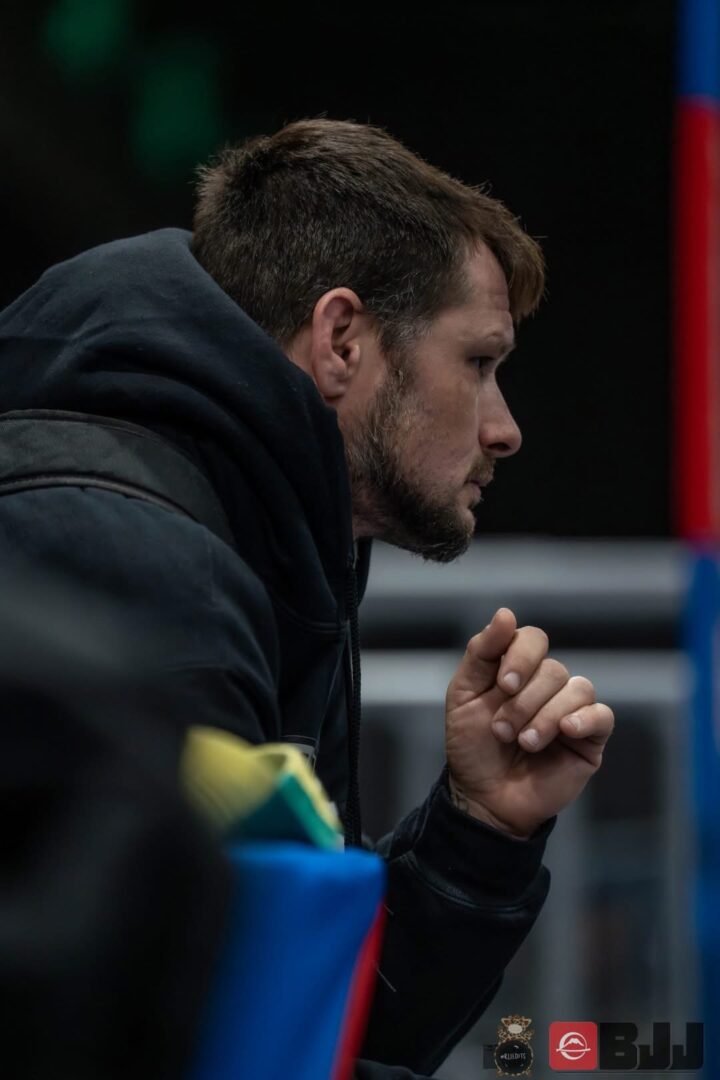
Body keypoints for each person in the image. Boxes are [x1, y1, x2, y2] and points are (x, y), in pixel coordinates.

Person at [0, 119, 613, 1078]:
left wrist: (479, 830)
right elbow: (222, 1053)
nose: (505, 429)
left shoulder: (243, 532)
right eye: (479, 362)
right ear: (341, 341)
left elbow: (297, 1013)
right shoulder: (157, 582)